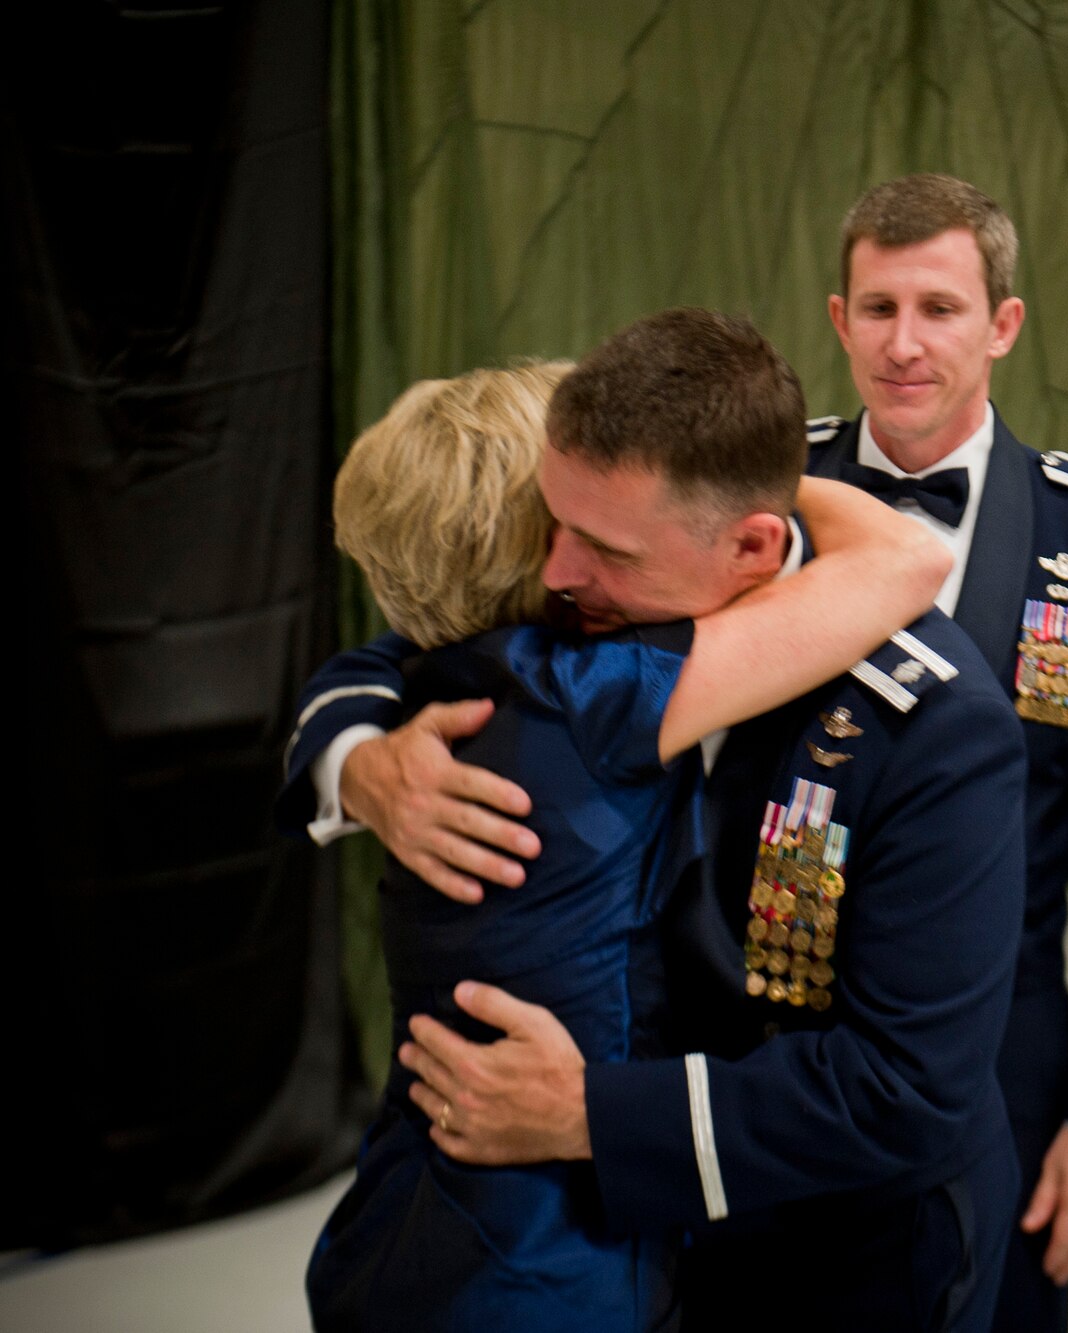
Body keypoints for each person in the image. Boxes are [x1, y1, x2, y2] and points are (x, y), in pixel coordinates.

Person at [279, 309, 1028, 1332]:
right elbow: (407, 648)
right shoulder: (582, 618)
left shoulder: (935, 728)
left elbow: (903, 1088)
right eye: (554, 526)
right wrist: (355, 761)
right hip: (627, 1245)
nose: (555, 572)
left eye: (602, 545)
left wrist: (589, 1114)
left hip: (834, 1254)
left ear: (751, 541)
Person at [807, 173, 1068, 1333]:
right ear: (838, 320)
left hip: (1000, 1063)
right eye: (877, 309)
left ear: (1003, 325)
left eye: (940, 308)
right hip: (777, 1043)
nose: (905, 344)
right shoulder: (766, 498)